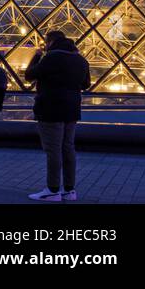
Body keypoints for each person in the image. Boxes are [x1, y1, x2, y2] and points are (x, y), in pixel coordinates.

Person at [24, 31, 91, 202]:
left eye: (46, 43)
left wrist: (37, 56)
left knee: (53, 150)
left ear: (51, 41)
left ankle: (52, 190)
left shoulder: (52, 57)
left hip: (50, 108)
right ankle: (69, 190)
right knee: (68, 148)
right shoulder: (81, 60)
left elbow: (29, 75)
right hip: (72, 109)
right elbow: (86, 84)